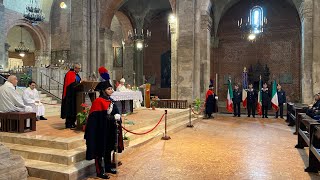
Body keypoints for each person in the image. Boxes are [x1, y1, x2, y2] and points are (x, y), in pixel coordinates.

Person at [84, 80, 124, 179]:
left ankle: (108, 167)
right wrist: (110, 117)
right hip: (100, 131)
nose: (111, 90)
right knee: (99, 151)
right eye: (109, 89)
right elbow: (96, 119)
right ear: (103, 90)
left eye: (111, 88)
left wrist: (117, 116)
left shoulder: (110, 100)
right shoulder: (98, 101)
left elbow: (114, 113)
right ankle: (99, 171)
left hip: (109, 130)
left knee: (108, 149)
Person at [61, 63, 82, 128]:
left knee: (74, 109)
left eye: (80, 68)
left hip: (75, 95)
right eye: (78, 68)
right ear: (75, 68)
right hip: (70, 95)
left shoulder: (76, 75)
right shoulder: (70, 74)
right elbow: (71, 85)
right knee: (70, 109)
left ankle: (73, 122)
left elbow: (77, 83)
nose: (79, 70)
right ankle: (69, 123)